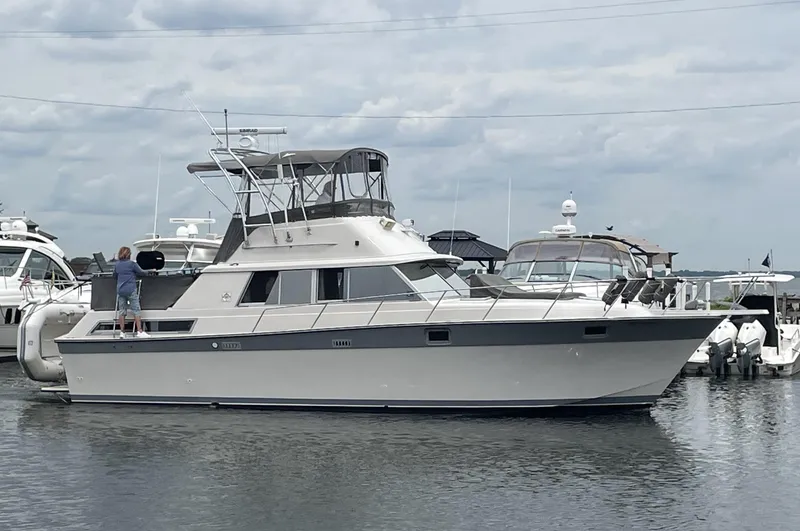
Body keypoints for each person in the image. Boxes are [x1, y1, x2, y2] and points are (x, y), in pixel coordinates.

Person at [113, 246, 150, 338]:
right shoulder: (132, 264)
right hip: (131, 289)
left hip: (121, 290)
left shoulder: (117, 265)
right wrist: (150, 271)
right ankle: (140, 331)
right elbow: (142, 272)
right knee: (136, 310)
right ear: (128, 254)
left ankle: (122, 332)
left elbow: (114, 275)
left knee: (122, 311)